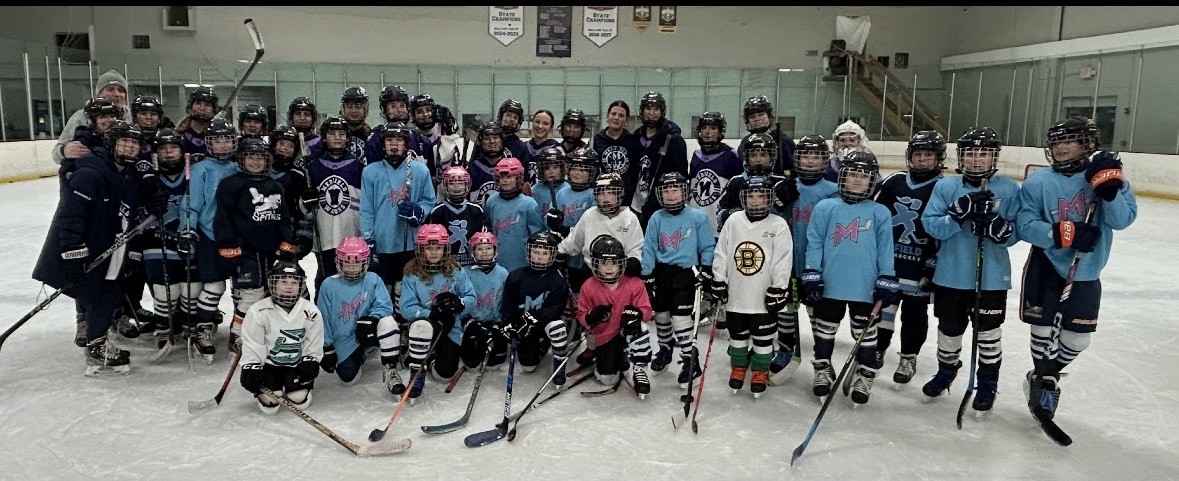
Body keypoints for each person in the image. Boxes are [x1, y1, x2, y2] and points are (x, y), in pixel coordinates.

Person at [1016, 117, 1137, 421]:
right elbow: (1025, 225)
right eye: (1056, 142)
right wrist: (1065, 233)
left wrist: (1110, 192)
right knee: (1042, 330)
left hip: (1086, 270)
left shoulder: (1106, 177)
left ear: (1087, 145)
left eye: (1069, 141)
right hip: (1046, 265)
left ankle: (1044, 374)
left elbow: (1122, 220)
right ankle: (1045, 383)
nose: (1061, 148)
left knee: (1077, 340)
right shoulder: (1037, 183)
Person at [919, 127, 1021, 417]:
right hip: (950, 274)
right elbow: (932, 226)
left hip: (992, 278)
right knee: (949, 330)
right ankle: (947, 371)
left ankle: (987, 384)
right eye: (971, 154)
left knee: (988, 333)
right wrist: (956, 215)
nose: (977, 160)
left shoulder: (1008, 189)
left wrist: (999, 229)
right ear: (961, 157)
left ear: (994, 157)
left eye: (983, 154)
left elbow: (1017, 232)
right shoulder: (946, 187)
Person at [33, 121, 143, 375]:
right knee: (98, 295)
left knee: (108, 294)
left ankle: (97, 344)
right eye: (124, 142)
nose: (130, 147)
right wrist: (74, 249)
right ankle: (95, 348)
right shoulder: (90, 173)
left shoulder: (126, 175)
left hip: (110, 247)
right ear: (112, 144)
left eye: (134, 143)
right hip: (88, 248)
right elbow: (70, 215)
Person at [801, 151, 896, 404]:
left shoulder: (880, 212)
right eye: (852, 174)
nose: (856, 180)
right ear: (842, 176)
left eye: (863, 176)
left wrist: (887, 278)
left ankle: (865, 374)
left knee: (865, 335)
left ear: (872, 181)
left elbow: (886, 249)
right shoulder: (825, 207)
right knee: (824, 331)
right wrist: (812, 272)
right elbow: (815, 242)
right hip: (830, 283)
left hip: (865, 286)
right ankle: (822, 369)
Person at [872, 131, 946, 386]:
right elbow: (875, 216)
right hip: (890, 263)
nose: (922, 159)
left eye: (928, 155)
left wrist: (934, 263)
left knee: (915, 314)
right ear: (909, 156)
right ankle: (877, 349)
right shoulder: (894, 182)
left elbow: (946, 231)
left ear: (938, 158)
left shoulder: (943, 187)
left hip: (920, 266)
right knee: (884, 309)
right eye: (918, 154)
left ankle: (908, 357)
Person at [215, 137, 299, 356]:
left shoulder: (275, 186)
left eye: (260, 157)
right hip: (245, 251)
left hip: (270, 252)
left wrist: (287, 247)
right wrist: (229, 249)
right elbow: (223, 219)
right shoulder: (231, 184)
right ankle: (237, 336)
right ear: (241, 159)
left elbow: (283, 219)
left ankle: (265, 334)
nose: (255, 162)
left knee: (271, 293)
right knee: (249, 295)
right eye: (250, 157)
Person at [710, 176, 792, 398]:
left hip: (763, 295)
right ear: (743, 198)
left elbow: (783, 259)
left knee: (763, 338)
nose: (755, 201)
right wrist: (719, 279)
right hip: (737, 294)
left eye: (761, 196)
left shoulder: (778, 224)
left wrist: (779, 287)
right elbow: (722, 252)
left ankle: (760, 371)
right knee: (737, 336)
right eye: (751, 196)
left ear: (770, 199)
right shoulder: (733, 221)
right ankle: (738, 368)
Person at [640, 171, 715, 387]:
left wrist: (707, 268)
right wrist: (647, 274)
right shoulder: (656, 217)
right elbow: (649, 247)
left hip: (686, 274)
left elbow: (707, 246)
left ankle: (690, 361)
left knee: (680, 318)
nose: (671, 195)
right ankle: (665, 349)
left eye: (675, 190)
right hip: (662, 274)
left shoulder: (697, 217)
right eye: (666, 191)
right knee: (662, 315)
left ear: (684, 192)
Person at [359, 121, 436, 325]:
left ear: (406, 144)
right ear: (382, 145)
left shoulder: (420, 170)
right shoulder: (370, 172)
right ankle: (386, 325)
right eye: (389, 140)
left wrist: (418, 211)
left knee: (406, 285)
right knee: (384, 287)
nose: (394, 145)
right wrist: (368, 238)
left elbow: (429, 200)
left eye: (399, 140)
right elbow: (366, 209)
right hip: (382, 241)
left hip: (409, 243)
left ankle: (406, 322)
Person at [396, 224, 477, 401]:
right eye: (429, 248)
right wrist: (431, 315)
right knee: (422, 327)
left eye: (438, 248)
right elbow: (406, 308)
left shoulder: (456, 271)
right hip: (425, 327)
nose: (433, 252)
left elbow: (471, 297)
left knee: (444, 376)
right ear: (420, 249)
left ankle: (430, 359)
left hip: (451, 327)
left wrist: (459, 303)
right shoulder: (411, 274)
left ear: (445, 248)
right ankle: (417, 370)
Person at [140, 128, 199, 352]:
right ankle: (164, 329)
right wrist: (147, 206)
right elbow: (135, 211)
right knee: (166, 292)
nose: (168, 152)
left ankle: (189, 327)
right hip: (157, 242)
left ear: (182, 151)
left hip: (187, 241)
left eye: (173, 148)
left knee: (191, 290)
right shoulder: (147, 178)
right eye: (163, 149)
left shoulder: (193, 176)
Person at [239, 260, 324, 414]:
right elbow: (253, 342)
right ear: (273, 284)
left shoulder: (310, 312)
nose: (289, 286)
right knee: (270, 403)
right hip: (270, 366)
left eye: (294, 282)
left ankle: (293, 385)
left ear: (301, 285)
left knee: (299, 399)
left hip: (296, 364)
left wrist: (311, 360)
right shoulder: (259, 311)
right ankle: (274, 385)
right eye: (283, 282)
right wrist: (251, 366)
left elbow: (314, 341)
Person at [577, 234, 654, 397]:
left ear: (622, 263)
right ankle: (607, 355)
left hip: (626, 333)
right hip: (604, 336)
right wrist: (591, 316)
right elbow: (582, 314)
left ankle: (640, 368)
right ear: (595, 264)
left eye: (614, 263)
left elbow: (646, 310)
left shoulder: (635, 283)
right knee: (607, 378)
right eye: (603, 263)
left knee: (641, 327)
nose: (609, 268)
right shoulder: (588, 286)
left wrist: (637, 315)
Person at [186, 118, 239, 344]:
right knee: (214, 285)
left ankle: (240, 329)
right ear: (209, 143)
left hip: (236, 236)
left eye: (227, 140)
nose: (223, 145)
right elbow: (191, 204)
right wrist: (187, 228)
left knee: (242, 287)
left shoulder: (239, 168)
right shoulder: (200, 169)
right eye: (218, 140)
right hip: (209, 236)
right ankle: (203, 327)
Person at [317, 237, 395, 385]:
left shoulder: (373, 279)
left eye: (357, 263)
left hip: (369, 334)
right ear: (339, 262)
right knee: (348, 379)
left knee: (388, 322)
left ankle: (389, 365)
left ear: (365, 262)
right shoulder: (328, 285)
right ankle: (358, 355)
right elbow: (323, 318)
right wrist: (326, 346)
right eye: (347, 263)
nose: (352, 268)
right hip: (344, 340)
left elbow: (385, 305)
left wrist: (372, 319)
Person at [501, 231, 573, 385]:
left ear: (552, 255)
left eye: (545, 253)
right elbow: (508, 304)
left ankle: (559, 366)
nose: (539, 257)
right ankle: (541, 346)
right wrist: (509, 322)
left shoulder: (558, 280)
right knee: (528, 367)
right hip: (525, 327)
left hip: (545, 324)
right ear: (529, 252)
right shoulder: (516, 276)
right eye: (536, 252)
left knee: (558, 327)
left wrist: (535, 317)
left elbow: (556, 309)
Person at [304, 116, 364, 292]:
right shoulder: (314, 166)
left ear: (348, 138)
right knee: (325, 278)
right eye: (332, 133)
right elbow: (306, 207)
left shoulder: (358, 166)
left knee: (351, 278)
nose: (337, 137)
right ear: (324, 138)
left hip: (350, 232)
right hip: (324, 233)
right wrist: (306, 199)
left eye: (341, 133)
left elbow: (365, 202)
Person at [631, 91, 689, 227]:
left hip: (661, 206)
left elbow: (680, 175)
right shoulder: (636, 137)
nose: (651, 113)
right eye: (648, 108)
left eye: (656, 109)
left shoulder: (674, 140)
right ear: (642, 111)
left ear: (662, 112)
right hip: (636, 204)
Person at [53, 69, 131, 166]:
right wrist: (64, 151)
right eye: (110, 89)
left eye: (121, 91)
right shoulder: (81, 116)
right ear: (98, 94)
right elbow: (56, 153)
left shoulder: (132, 117)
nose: (117, 94)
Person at [483, 157, 545, 272]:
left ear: (518, 178)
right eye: (501, 177)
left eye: (509, 177)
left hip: (522, 263)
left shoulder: (529, 204)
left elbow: (537, 235)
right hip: (497, 264)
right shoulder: (491, 201)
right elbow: (489, 228)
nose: (504, 181)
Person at [687, 111, 742, 234]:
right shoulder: (696, 155)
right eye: (704, 128)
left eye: (713, 128)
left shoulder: (730, 156)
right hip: (696, 218)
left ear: (720, 132)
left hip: (717, 221)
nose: (707, 132)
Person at [462, 231, 511, 368]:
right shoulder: (464, 272)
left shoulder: (503, 273)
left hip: (494, 322)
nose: (484, 252)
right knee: (472, 359)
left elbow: (506, 302)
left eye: (488, 248)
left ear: (495, 250)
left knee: (495, 360)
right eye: (479, 249)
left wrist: (501, 323)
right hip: (472, 322)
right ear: (472, 251)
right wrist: (467, 320)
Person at [427, 165, 486, 267]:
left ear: (467, 184)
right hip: (446, 266)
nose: (456, 187)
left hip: (471, 265)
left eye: (460, 183)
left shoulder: (476, 210)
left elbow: (482, 239)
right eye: (451, 183)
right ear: (445, 185)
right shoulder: (437, 211)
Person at [593, 101, 643, 207]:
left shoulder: (633, 140)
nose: (616, 118)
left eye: (621, 115)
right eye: (613, 114)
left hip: (628, 198)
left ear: (626, 119)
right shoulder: (597, 139)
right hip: (604, 196)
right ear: (607, 115)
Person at [736, 96, 796, 177]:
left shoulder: (784, 141)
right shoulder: (745, 142)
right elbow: (740, 170)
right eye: (752, 117)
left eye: (761, 115)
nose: (757, 119)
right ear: (748, 121)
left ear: (769, 116)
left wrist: (784, 177)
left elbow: (793, 170)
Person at [364, 85, 411, 167]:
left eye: (402, 106)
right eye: (393, 106)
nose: (399, 110)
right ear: (384, 109)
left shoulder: (418, 138)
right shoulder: (375, 138)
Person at [466, 123, 511, 205]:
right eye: (486, 138)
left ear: (502, 141)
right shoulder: (472, 169)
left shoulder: (511, 167)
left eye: (495, 137)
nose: (492, 141)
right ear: (480, 142)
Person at [178, 86, 219, 156]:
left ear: (214, 109)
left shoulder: (218, 134)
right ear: (191, 106)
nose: (202, 108)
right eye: (198, 103)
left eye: (207, 105)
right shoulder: (178, 134)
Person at [531, 146, 568, 220]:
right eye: (547, 168)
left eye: (555, 167)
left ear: (562, 169)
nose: (551, 171)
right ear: (541, 170)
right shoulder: (535, 190)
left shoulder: (567, 189)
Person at [524, 109, 559, 181]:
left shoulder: (557, 150)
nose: (540, 126)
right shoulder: (523, 148)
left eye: (545, 123)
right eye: (537, 122)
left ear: (551, 127)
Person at [339, 86, 371, 163]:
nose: (353, 111)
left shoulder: (372, 137)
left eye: (358, 107)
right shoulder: (335, 135)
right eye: (349, 107)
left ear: (365, 109)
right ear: (343, 109)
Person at [496, 98, 530, 164]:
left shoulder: (520, 147)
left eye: (515, 117)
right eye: (508, 115)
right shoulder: (488, 139)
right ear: (501, 116)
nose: (511, 119)